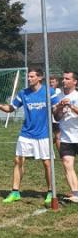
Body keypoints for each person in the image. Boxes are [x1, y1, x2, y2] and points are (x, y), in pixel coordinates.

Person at [0, 68, 59, 206]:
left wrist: (60, 108)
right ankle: (15, 192)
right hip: (26, 133)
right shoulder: (23, 93)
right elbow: (11, 108)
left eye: (32, 76)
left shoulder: (49, 92)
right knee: (18, 160)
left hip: (43, 134)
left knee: (47, 163)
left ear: (39, 78)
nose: (29, 79)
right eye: (28, 76)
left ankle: (50, 192)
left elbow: (56, 109)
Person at [53, 71, 78, 203]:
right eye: (63, 78)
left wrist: (70, 105)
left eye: (67, 79)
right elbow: (57, 117)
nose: (64, 81)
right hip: (66, 137)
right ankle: (76, 194)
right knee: (67, 164)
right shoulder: (59, 96)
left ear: (75, 82)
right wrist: (59, 108)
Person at [50, 75, 62, 152]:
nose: (51, 84)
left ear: (57, 83)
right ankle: (62, 155)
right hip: (51, 118)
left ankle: (47, 145)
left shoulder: (59, 91)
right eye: (50, 82)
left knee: (59, 136)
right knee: (58, 136)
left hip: (59, 117)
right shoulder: (47, 92)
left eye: (53, 82)